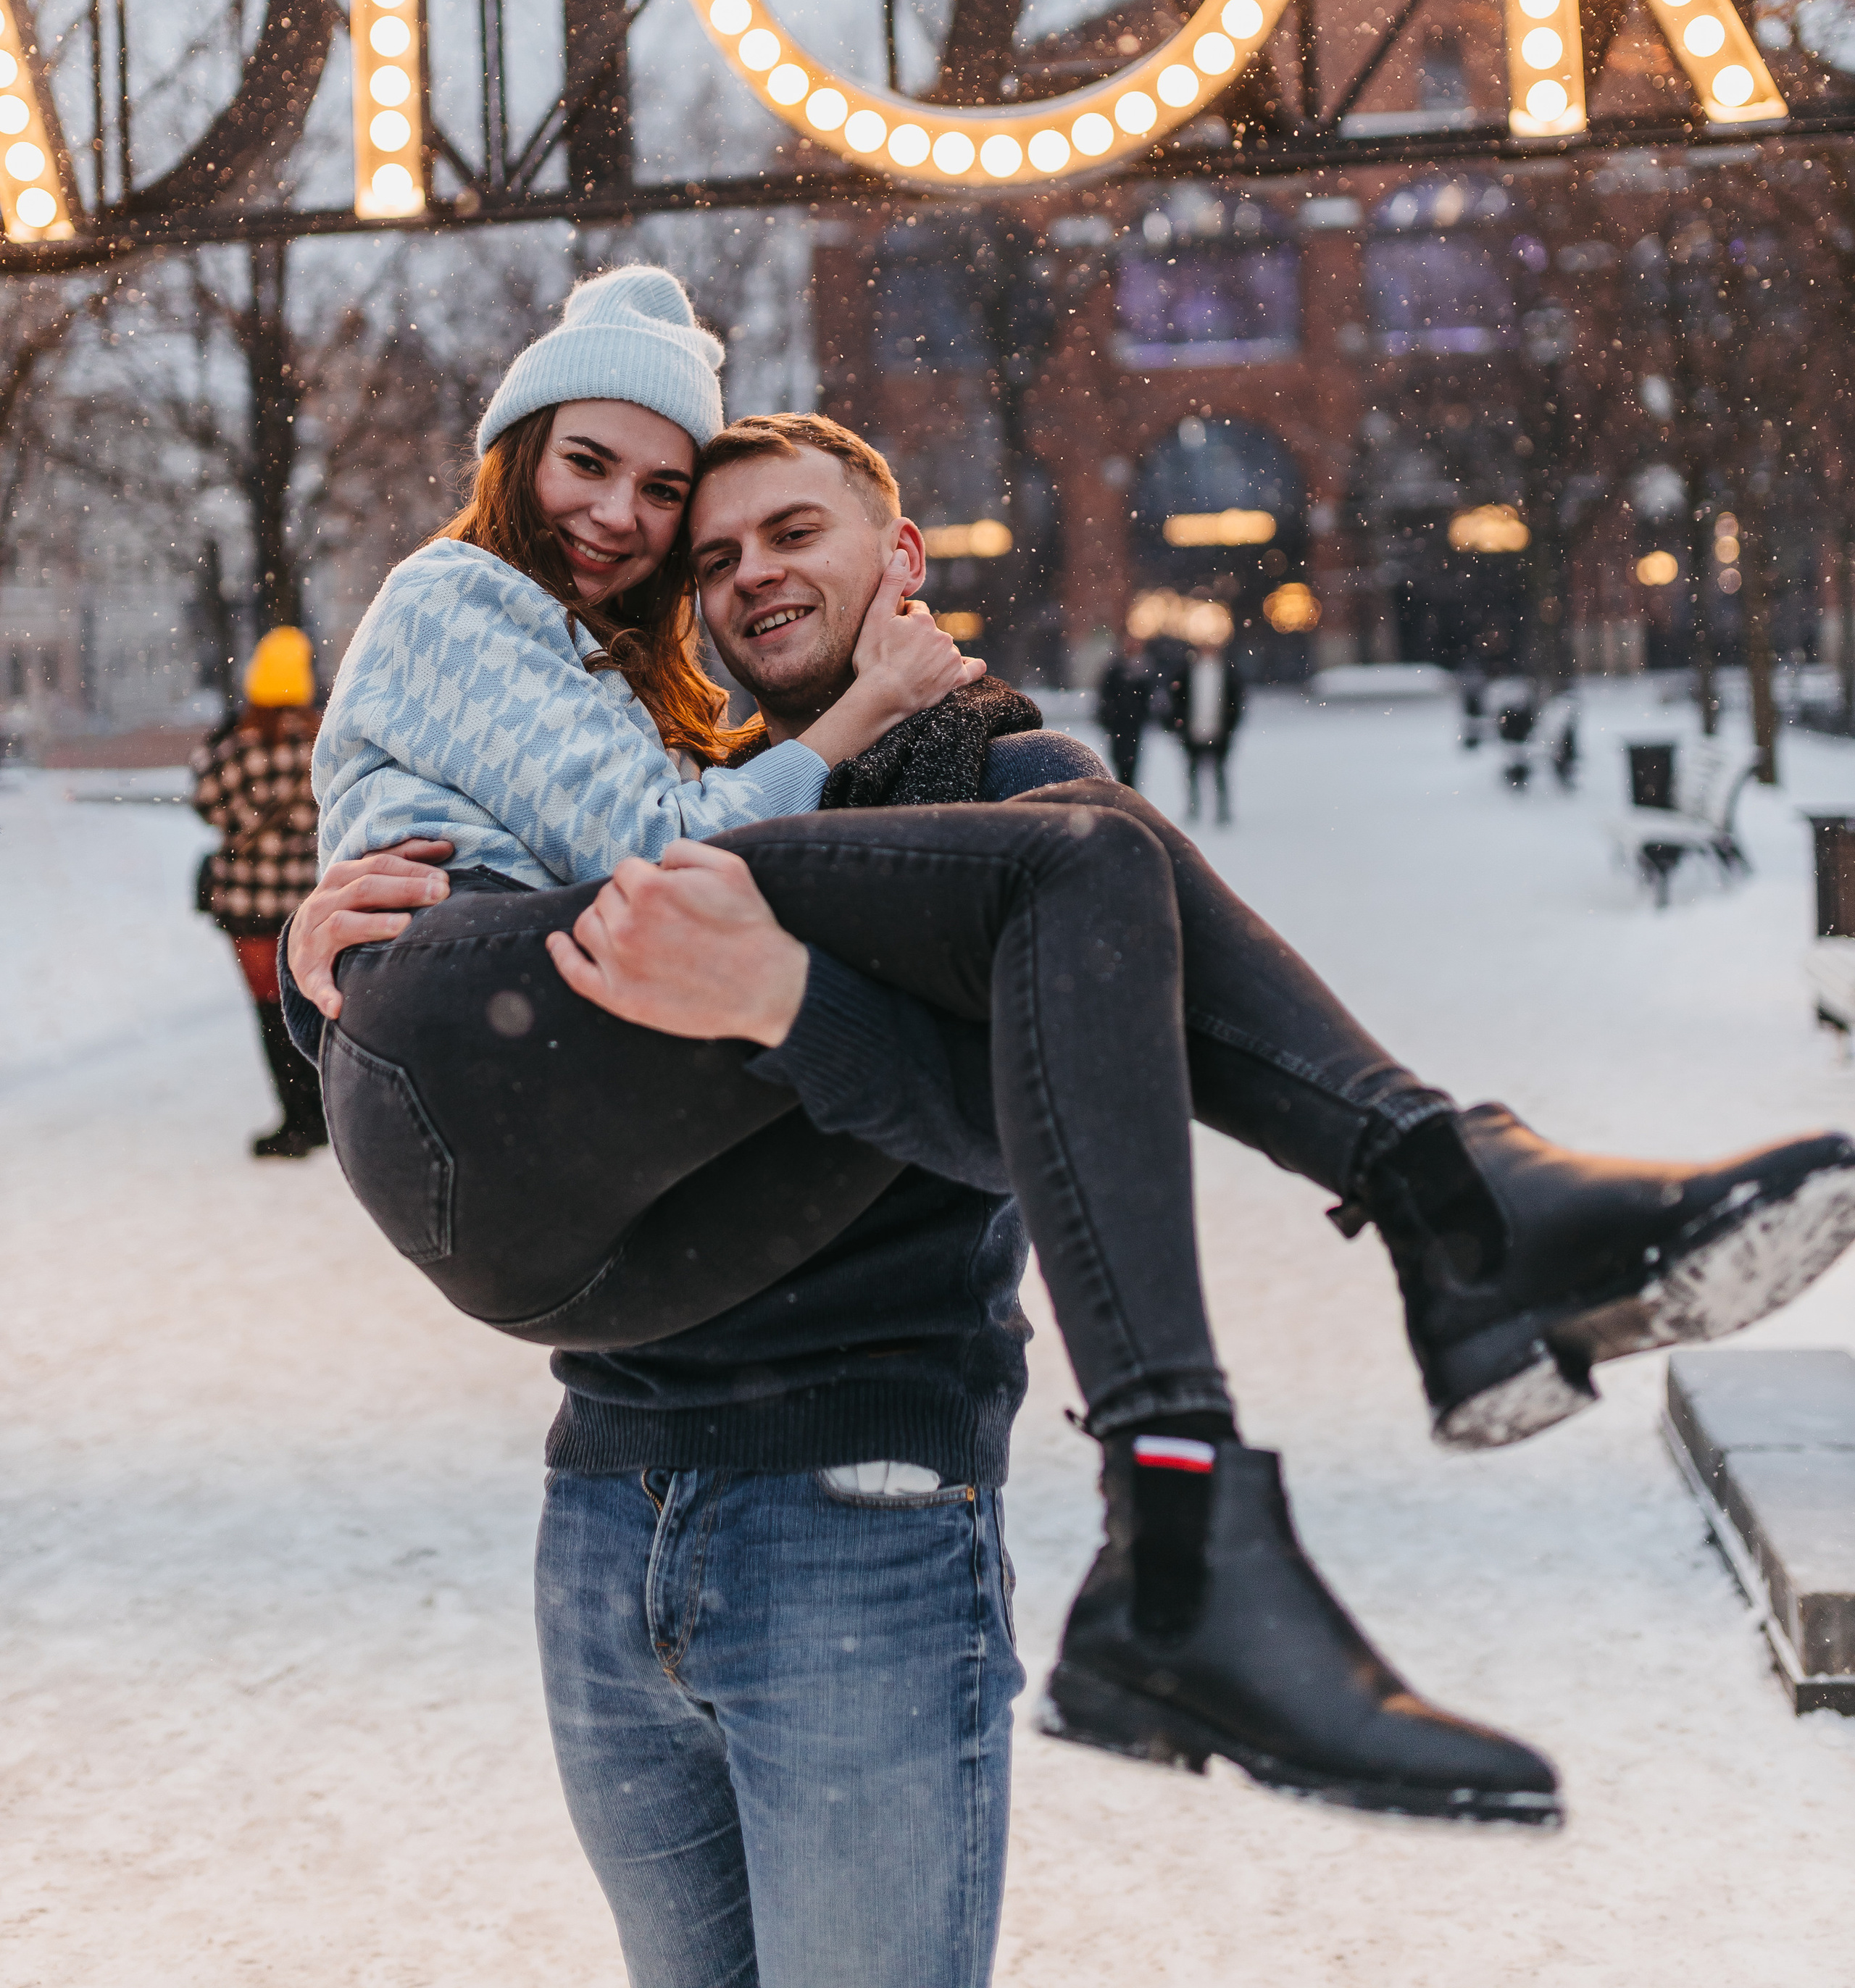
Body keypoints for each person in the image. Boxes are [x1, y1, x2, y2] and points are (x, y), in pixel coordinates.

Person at [284, 311, 1855, 1885]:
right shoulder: (710, 785)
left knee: (1089, 855)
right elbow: (514, 912)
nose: (738, 569)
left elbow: (1016, 1124)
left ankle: (1310, 1378)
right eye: (712, 556)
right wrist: (320, 969)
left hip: (802, 1449)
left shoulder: (999, 779)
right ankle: (1434, 1242)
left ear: (903, 560)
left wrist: (789, 1008)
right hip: (613, 1465)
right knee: (1098, 866)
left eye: (790, 533)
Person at [190, 625, 327, 1158]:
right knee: (309, 1004)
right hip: (305, 900)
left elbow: (206, 804)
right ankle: (322, 1111)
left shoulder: (236, 749)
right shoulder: (322, 743)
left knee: (271, 1012)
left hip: (248, 902)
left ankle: (296, 1119)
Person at [1176, 631, 1243, 825]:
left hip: (1220, 731)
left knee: (1220, 772)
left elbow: (1237, 702)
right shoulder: (1187, 672)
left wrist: (1230, 726)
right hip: (1192, 731)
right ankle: (1193, 806)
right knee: (1192, 772)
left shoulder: (1227, 673)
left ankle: (1222, 809)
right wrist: (1180, 726)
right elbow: (1178, 701)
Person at [1094, 634, 1156, 786]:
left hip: (1132, 726)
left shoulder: (1141, 670)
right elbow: (1106, 695)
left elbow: (1146, 699)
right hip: (1118, 725)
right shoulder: (1116, 669)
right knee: (1118, 763)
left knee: (1131, 766)